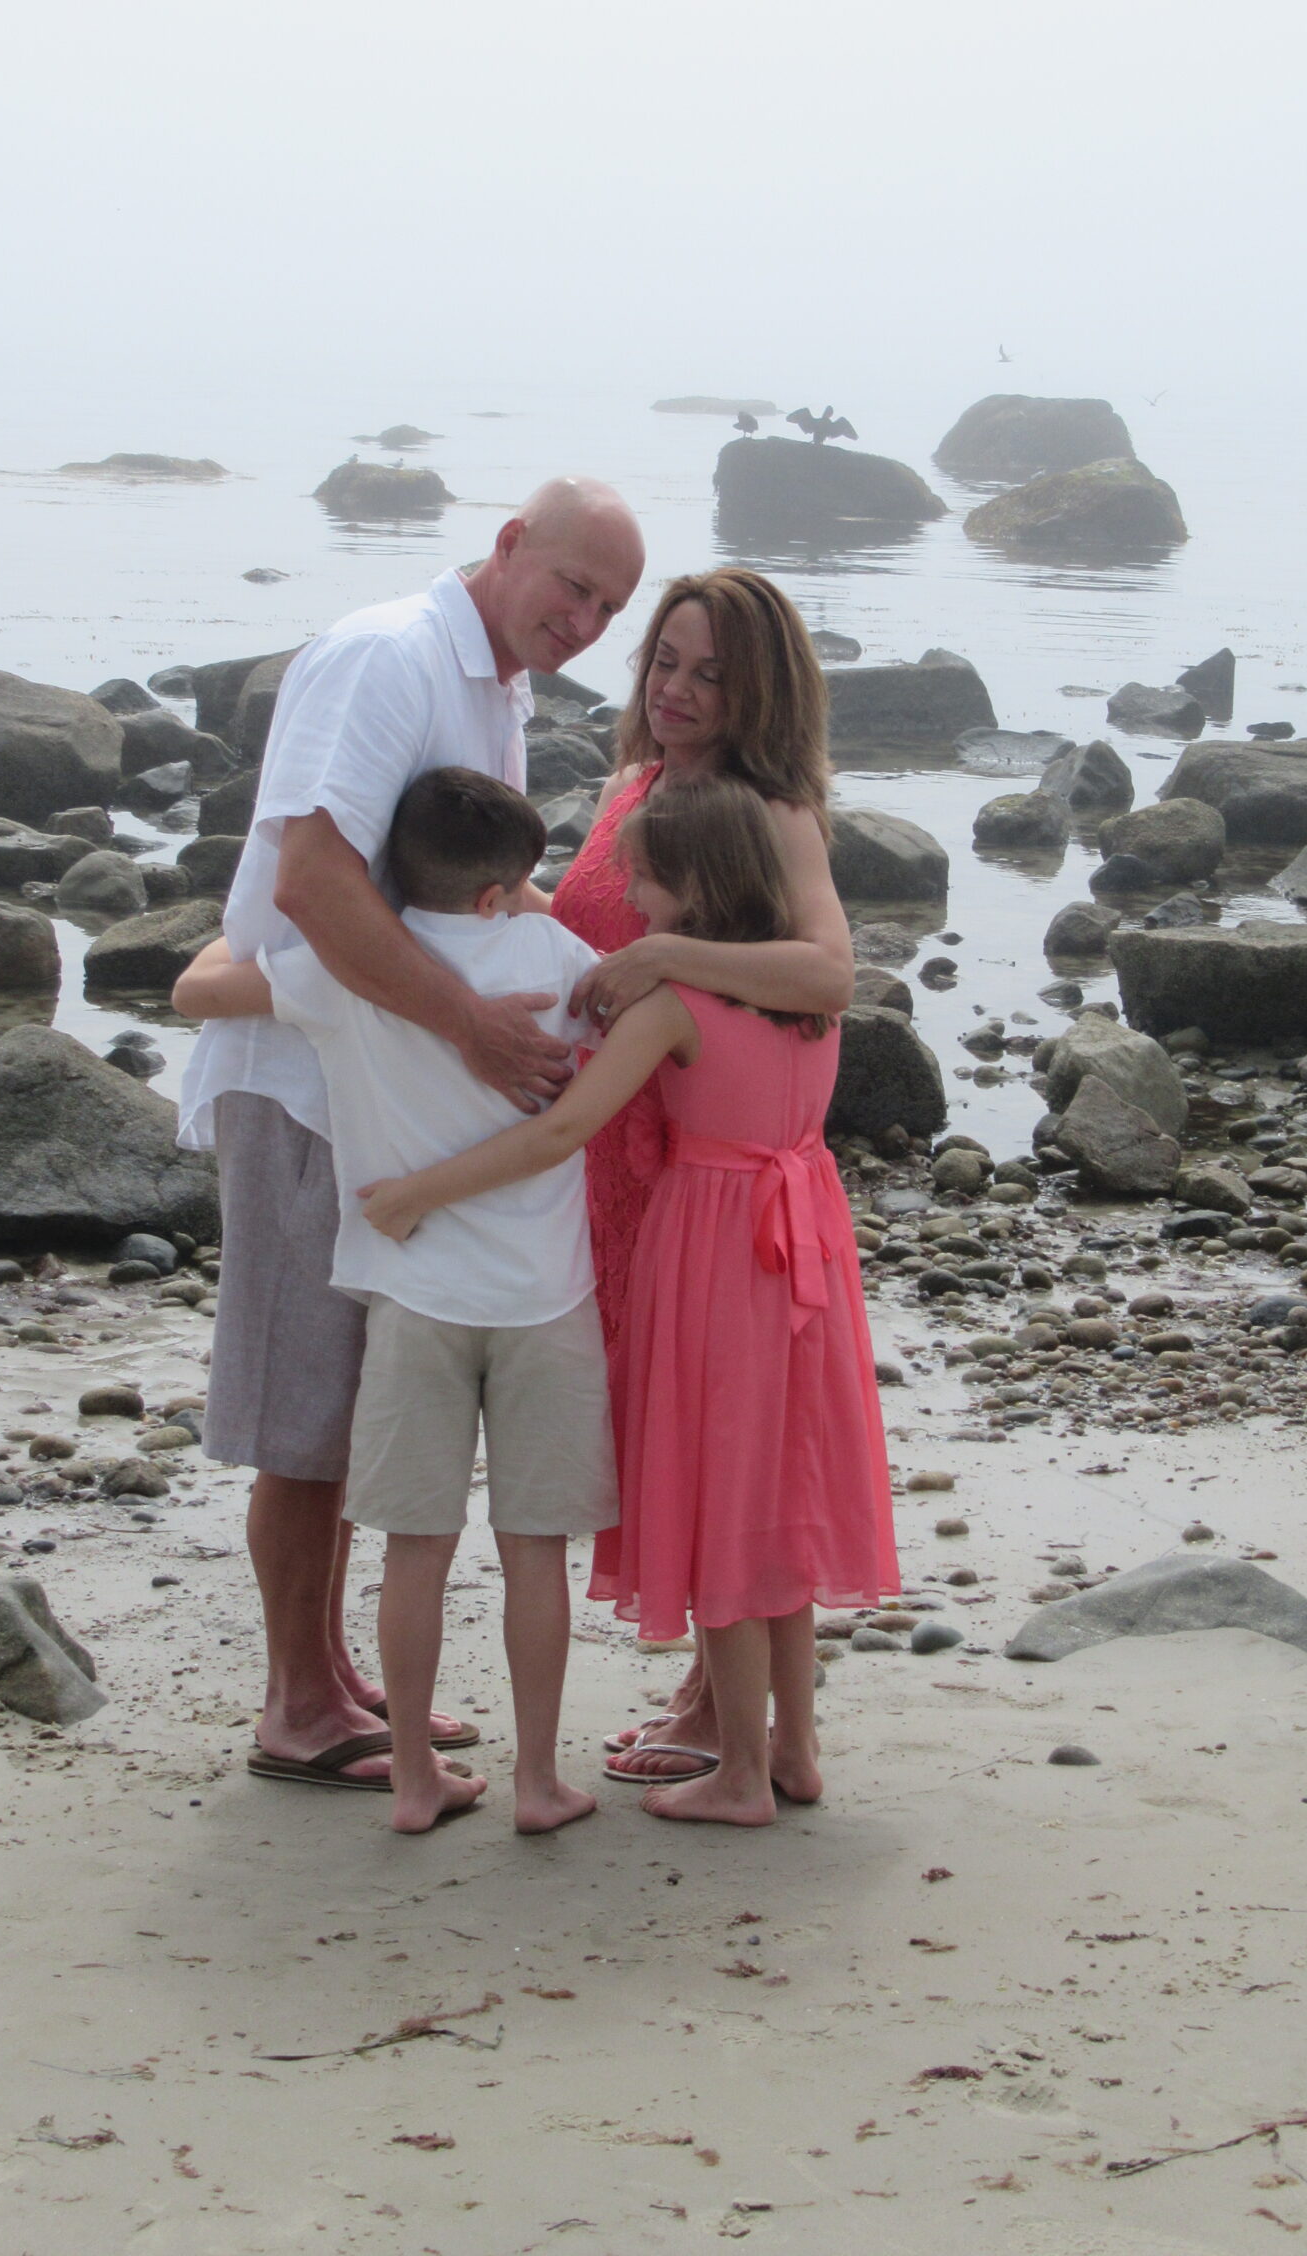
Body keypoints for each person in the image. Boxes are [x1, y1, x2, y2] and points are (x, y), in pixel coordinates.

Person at [174, 478, 645, 1791]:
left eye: (610, 605)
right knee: (301, 1408)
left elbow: (473, 891)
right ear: (507, 549)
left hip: (381, 1085)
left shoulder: (495, 688)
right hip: (306, 1080)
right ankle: (297, 1704)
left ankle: (332, 1674)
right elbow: (315, 883)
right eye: (572, 584)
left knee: (349, 1404)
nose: (588, 618)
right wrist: (476, 1033)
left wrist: (607, 970)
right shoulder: (388, 656)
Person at [359, 775, 900, 1828]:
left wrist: (421, 1190)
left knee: (725, 1506)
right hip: (811, 1247)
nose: (629, 897)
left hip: (719, 1246)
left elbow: (565, 1129)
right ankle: (795, 1747)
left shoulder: (673, 1008)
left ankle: (740, 1773)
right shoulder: (813, 998)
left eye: (641, 877)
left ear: (693, 886)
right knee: (785, 1490)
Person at [549, 569, 851, 1777]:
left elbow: (828, 977)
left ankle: (725, 1713)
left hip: (701, 1174)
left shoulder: (768, 812)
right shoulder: (634, 786)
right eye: (662, 661)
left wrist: (670, 950)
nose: (675, 689)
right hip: (610, 1163)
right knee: (658, 1433)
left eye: (708, 672)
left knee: (732, 1440)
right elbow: (582, 930)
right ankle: (719, 1702)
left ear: (756, 690)